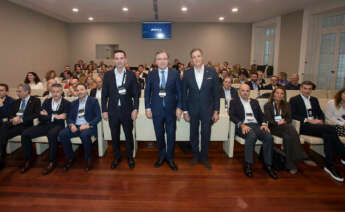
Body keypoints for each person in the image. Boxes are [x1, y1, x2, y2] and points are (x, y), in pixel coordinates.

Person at [290, 81, 345, 182]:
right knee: (332, 129)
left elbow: (321, 114)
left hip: (318, 127)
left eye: (309, 89)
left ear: (312, 90)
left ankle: (330, 166)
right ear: (301, 89)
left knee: (328, 135)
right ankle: (343, 153)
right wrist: (309, 120)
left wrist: (320, 121)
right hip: (304, 126)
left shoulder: (314, 100)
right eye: (305, 88)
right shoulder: (294, 99)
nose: (307, 91)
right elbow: (293, 115)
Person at [264, 87, 316, 174]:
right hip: (273, 128)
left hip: (285, 128)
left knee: (288, 137)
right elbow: (268, 118)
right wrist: (278, 123)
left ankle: (291, 165)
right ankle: (302, 156)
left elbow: (289, 118)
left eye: (282, 93)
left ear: (284, 95)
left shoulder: (287, 105)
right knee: (290, 128)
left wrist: (284, 121)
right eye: (277, 93)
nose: (279, 95)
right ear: (273, 94)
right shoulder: (268, 105)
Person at [182, 48, 220, 170]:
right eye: (194, 57)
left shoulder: (212, 71)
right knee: (193, 134)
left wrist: (216, 111)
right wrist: (185, 111)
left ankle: (204, 157)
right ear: (191, 59)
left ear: (202, 57)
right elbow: (184, 94)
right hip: (192, 110)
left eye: (198, 56)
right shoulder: (187, 73)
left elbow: (216, 93)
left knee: (206, 134)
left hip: (207, 110)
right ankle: (195, 156)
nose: (196, 59)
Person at [229, 84, 277, 179]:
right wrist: (242, 125)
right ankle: (248, 164)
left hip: (256, 126)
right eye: (243, 90)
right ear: (239, 91)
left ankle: (268, 165)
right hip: (243, 126)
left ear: (250, 92)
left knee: (269, 137)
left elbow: (261, 115)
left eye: (247, 91)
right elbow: (232, 115)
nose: (245, 93)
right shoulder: (234, 101)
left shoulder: (255, 102)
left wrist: (263, 124)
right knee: (251, 135)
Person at [145, 50, 182, 170]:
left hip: (171, 110)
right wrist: (147, 107)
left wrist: (179, 107)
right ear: (156, 61)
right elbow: (147, 92)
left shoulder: (175, 73)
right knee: (159, 135)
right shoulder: (151, 74)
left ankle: (170, 158)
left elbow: (180, 93)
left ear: (168, 60)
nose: (162, 61)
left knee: (171, 135)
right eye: (159, 59)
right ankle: (161, 156)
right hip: (156, 110)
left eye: (164, 58)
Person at [21, 84, 71, 175]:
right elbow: (40, 117)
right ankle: (28, 160)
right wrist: (55, 116)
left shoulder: (67, 103)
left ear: (62, 92)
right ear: (50, 92)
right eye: (53, 92)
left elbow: (64, 117)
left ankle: (52, 161)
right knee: (25, 134)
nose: (55, 94)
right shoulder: (46, 101)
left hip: (58, 126)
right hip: (44, 124)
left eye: (58, 91)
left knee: (51, 134)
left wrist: (48, 115)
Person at [102, 50, 139, 169]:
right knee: (114, 135)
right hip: (112, 111)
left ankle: (130, 157)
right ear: (114, 60)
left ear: (125, 60)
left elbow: (136, 94)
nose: (119, 60)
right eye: (117, 58)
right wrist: (104, 110)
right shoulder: (108, 75)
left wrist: (135, 109)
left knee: (129, 135)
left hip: (127, 110)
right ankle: (117, 157)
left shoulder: (131, 75)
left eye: (121, 58)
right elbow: (104, 95)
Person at [59, 83, 101, 172]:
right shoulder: (73, 103)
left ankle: (88, 159)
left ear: (86, 90)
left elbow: (98, 117)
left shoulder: (93, 101)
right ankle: (70, 157)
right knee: (62, 134)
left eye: (81, 89)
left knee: (84, 135)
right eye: (77, 90)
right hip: (76, 126)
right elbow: (69, 117)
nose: (79, 92)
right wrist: (71, 125)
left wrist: (88, 125)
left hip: (88, 126)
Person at [0, 84, 41, 170]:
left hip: (26, 124)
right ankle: (1, 158)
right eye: (17, 91)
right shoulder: (16, 102)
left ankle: (28, 160)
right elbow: (11, 114)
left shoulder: (35, 101)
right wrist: (13, 119)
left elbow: (36, 114)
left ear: (26, 92)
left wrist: (22, 119)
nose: (17, 93)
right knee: (3, 131)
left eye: (19, 91)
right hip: (15, 124)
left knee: (25, 135)